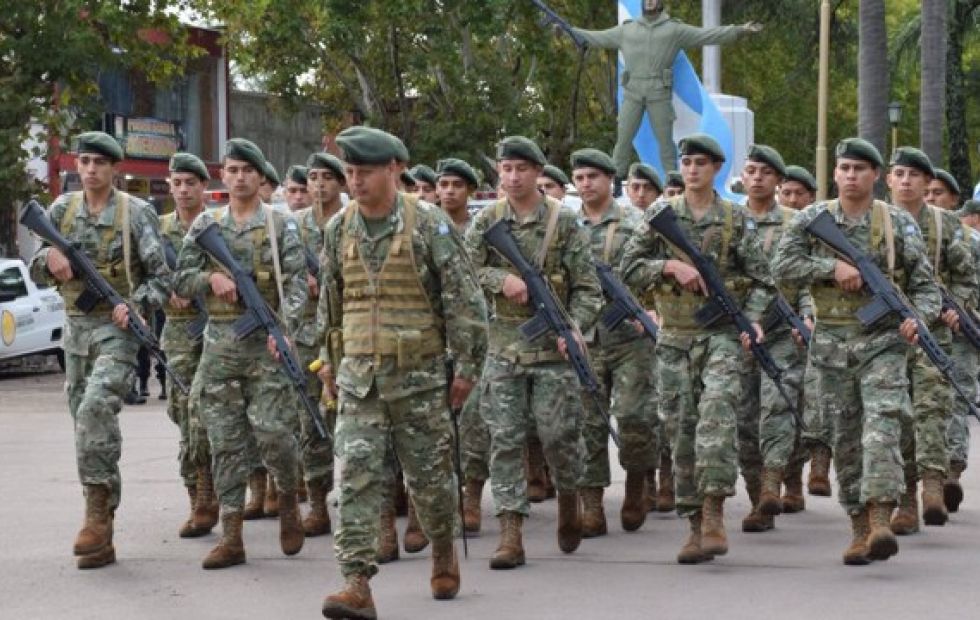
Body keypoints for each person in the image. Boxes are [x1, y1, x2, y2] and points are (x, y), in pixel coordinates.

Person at [316, 127, 488, 618]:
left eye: (365, 172)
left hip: (419, 380)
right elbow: (331, 301)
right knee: (355, 480)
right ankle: (356, 582)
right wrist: (327, 361)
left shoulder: (429, 224)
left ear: (394, 169)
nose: (355, 182)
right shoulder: (339, 228)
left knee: (430, 482)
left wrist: (467, 368)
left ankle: (442, 547)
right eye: (350, 172)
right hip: (359, 382)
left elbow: (464, 301)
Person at [772, 138, 940, 565]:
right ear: (835, 174)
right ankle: (859, 526)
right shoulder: (813, 219)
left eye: (860, 169)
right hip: (831, 347)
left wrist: (917, 319)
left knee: (882, 427)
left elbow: (926, 286)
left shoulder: (897, 223)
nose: (851, 176)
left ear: (875, 176)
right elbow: (781, 267)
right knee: (845, 439)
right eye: (845, 168)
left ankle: (881, 516)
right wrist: (831, 267)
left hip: (884, 344)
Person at [620, 133, 775, 564]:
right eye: (686, 162)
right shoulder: (660, 215)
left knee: (717, 421)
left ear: (717, 169)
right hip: (674, 338)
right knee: (681, 430)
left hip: (721, 335)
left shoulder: (735, 219)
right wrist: (669, 266)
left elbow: (763, 281)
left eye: (701, 163)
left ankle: (713, 514)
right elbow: (627, 270)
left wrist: (753, 319)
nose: (692, 170)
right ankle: (692, 524)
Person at [29, 131, 172, 569]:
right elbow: (37, 268)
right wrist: (48, 260)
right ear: (77, 166)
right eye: (85, 161)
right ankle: (103, 525)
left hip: (118, 330)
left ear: (115, 168)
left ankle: (94, 515)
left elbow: (162, 279)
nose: (91, 170)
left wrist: (135, 304)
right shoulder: (61, 211)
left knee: (95, 409)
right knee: (85, 426)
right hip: (75, 334)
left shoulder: (136, 213)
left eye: (100, 163)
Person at [465, 135, 602, 569]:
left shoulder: (564, 221)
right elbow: (464, 271)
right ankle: (511, 533)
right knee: (504, 440)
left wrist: (575, 329)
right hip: (504, 349)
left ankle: (568, 496)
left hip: (552, 353)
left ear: (538, 172)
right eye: (506, 169)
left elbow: (588, 287)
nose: (512, 177)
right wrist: (500, 280)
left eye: (521, 169)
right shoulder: (487, 220)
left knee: (559, 436)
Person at [175, 138, 308, 570]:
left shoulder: (281, 224)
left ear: (260, 176)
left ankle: (287, 499)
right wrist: (209, 280)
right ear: (223, 175)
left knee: (275, 433)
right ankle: (232, 537)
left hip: (267, 350)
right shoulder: (206, 225)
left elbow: (297, 285)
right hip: (220, 349)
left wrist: (285, 331)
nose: (239, 178)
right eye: (232, 170)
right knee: (225, 442)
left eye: (247, 171)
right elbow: (180, 279)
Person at [570, 149, 660, 535]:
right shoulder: (565, 224)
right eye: (579, 178)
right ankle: (592, 505)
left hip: (630, 338)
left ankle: (637, 485)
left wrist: (653, 310)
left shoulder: (637, 222)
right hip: (584, 337)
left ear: (610, 180)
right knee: (587, 423)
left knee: (635, 417)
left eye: (593, 176)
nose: (585, 184)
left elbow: (656, 267)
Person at [886, 147, 975, 533]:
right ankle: (905, 499)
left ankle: (933, 486)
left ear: (926, 183)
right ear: (889, 180)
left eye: (914, 176)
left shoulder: (945, 226)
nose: (906, 182)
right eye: (899, 174)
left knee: (933, 410)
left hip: (933, 333)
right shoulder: (876, 221)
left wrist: (959, 308)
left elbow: (965, 275)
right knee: (896, 416)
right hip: (887, 335)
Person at [566, 0, 761, 177]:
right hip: (632, 92)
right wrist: (568, 30)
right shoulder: (627, 30)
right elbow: (595, 37)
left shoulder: (673, 30)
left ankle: (673, 180)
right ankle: (616, 178)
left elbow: (706, 35)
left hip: (659, 93)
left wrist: (740, 30)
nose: (650, 2)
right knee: (623, 139)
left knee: (665, 142)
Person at [736, 145, 811, 533]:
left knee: (778, 406)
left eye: (765, 172)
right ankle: (757, 499)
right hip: (737, 333)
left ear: (778, 180)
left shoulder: (796, 224)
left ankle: (772, 482)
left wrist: (808, 315)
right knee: (744, 420)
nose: (757, 178)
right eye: (751, 170)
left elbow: (807, 277)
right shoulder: (728, 220)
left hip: (782, 330)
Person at [160, 152, 219, 539]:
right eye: (177, 183)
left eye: (190, 183)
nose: (183, 190)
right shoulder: (158, 228)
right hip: (179, 334)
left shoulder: (217, 226)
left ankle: (207, 494)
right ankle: (196, 490)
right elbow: (144, 273)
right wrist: (167, 289)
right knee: (181, 412)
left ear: (203, 187)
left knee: (209, 414)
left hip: (217, 330)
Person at [436, 157, 491, 533]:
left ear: (470, 190)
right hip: (433, 335)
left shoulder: (482, 230)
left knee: (472, 420)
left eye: (457, 185)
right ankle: (442, 497)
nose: (449, 191)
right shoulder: (426, 226)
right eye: (444, 184)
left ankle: (472, 494)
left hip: (473, 334)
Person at [947, 199, 980, 511]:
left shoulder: (972, 245)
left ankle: (951, 473)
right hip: (916, 332)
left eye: (938, 193)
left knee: (957, 402)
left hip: (964, 336)